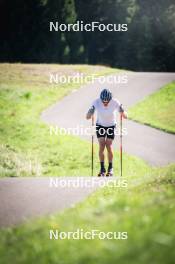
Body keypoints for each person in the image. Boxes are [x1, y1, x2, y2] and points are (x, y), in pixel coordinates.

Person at [86, 88, 127, 176]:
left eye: (107, 101)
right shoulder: (96, 102)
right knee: (101, 145)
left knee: (108, 145)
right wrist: (90, 112)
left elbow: (125, 116)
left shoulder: (115, 102)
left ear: (110, 99)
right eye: (103, 101)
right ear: (101, 99)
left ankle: (110, 168)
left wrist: (122, 111)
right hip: (100, 125)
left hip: (111, 125)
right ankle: (102, 169)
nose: (105, 103)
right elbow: (87, 117)